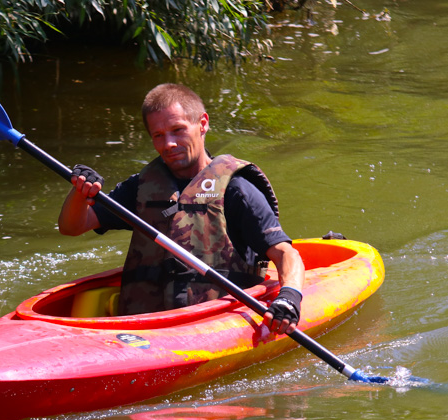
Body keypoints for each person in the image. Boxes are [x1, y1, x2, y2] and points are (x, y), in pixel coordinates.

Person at [58, 83, 305, 335]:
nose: (169, 144)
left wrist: (289, 297)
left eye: (178, 130)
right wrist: (80, 192)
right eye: (158, 135)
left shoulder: (236, 189)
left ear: (202, 124)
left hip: (211, 324)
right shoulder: (142, 187)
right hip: (142, 326)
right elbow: (73, 227)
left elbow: (285, 253)